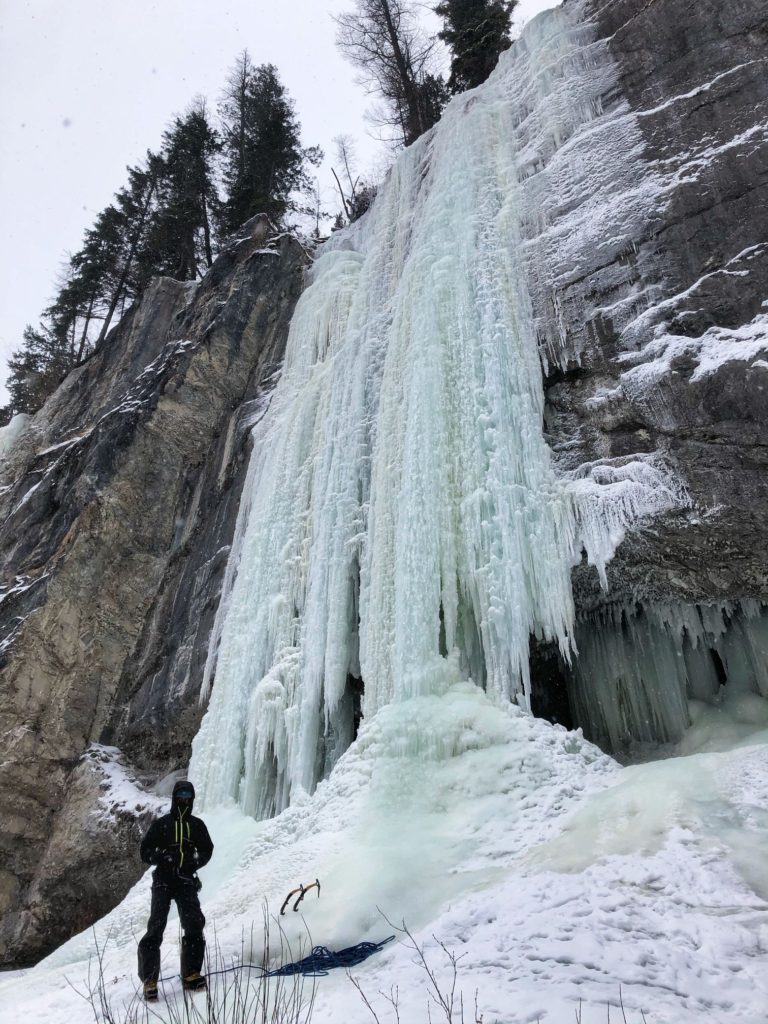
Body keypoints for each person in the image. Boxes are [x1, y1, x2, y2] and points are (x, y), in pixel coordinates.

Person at [137, 780, 214, 1001]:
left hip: (186, 880)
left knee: (194, 924)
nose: (184, 799)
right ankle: (150, 980)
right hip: (163, 880)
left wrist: (194, 863)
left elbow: (207, 850)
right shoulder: (163, 824)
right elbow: (145, 850)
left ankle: (191, 973)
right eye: (180, 794)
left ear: (192, 799)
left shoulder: (197, 825)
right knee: (156, 927)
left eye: (188, 795)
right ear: (174, 797)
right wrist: (160, 857)